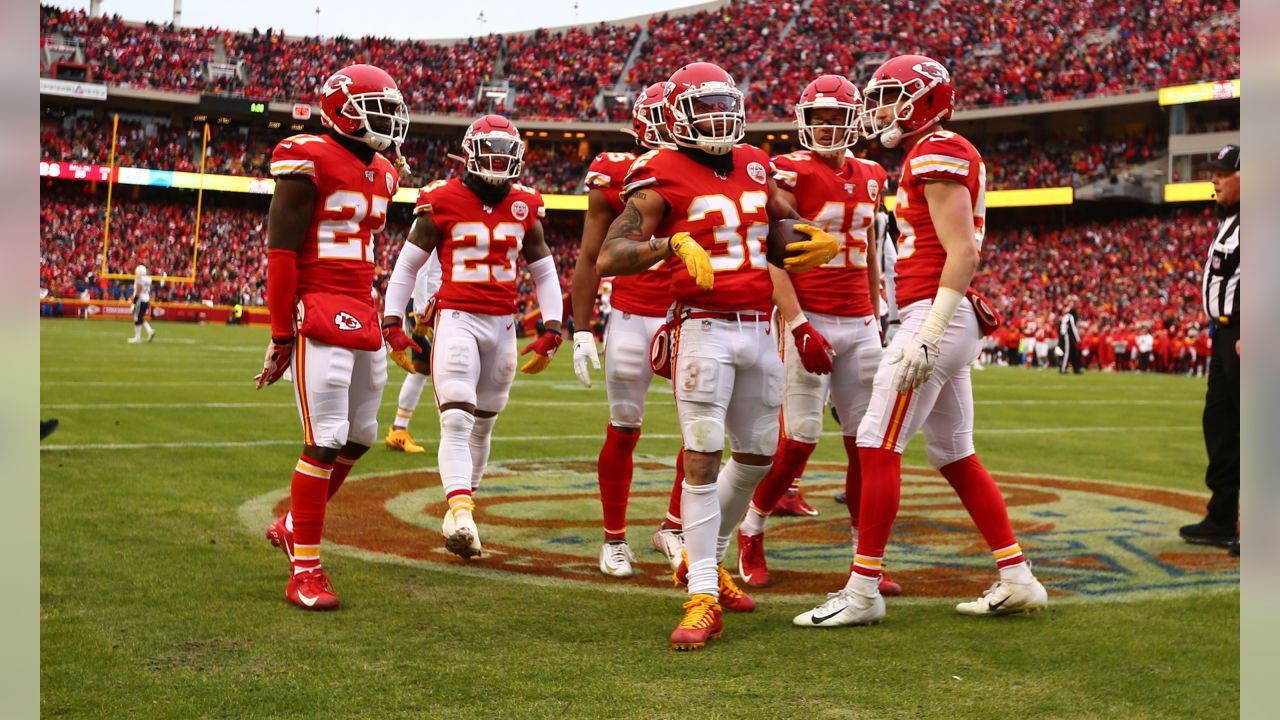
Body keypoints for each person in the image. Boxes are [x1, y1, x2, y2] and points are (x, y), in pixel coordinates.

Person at [793, 55, 1048, 628]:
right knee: (955, 453)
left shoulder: (938, 151)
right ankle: (1017, 576)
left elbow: (964, 252)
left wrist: (928, 332)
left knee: (876, 443)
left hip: (936, 316)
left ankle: (862, 592)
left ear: (927, 100)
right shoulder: (932, 151)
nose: (881, 108)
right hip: (939, 316)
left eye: (892, 96)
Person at [597, 61, 838, 649]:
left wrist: (811, 232)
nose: (718, 118)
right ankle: (702, 591)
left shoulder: (755, 161)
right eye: (704, 107)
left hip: (762, 328)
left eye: (724, 105)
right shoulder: (657, 170)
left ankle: (707, 562)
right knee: (703, 459)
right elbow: (609, 255)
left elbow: (776, 217)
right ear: (679, 112)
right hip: (703, 328)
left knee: (756, 457)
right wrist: (668, 242)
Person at [734, 75, 901, 596]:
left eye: (836, 117)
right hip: (809, 317)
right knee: (800, 439)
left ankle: (864, 559)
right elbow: (774, 255)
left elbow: (874, 250)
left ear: (854, 120)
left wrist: (879, 313)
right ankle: (751, 528)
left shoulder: (874, 173)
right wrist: (799, 323)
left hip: (860, 322)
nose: (828, 127)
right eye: (820, 117)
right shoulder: (790, 171)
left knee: (866, 445)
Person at [255, 63, 409, 611]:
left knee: (362, 433)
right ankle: (306, 569)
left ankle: (295, 524)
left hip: (361, 304)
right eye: (379, 108)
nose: (389, 120)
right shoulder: (307, 156)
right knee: (325, 435)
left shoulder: (385, 170)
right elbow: (281, 251)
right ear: (341, 108)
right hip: (317, 303)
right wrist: (280, 332)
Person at [381, 114, 565, 561]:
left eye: (507, 154)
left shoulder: (525, 203)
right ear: (471, 155)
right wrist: (391, 321)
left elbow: (543, 267)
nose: (500, 163)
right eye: (492, 153)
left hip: (502, 323)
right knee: (458, 420)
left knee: (483, 425)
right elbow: (407, 266)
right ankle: (462, 515)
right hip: (457, 317)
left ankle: (461, 511)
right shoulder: (441, 198)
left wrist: (554, 327)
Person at [570, 83, 686, 577]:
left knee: (701, 430)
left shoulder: (709, 168)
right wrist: (581, 328)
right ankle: (614, 540)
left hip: (692, 314)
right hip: (634, 315)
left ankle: (675, 526)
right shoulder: (616, 173)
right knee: (624, 426)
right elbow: (591, 257)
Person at [1180, 144, 1240, 555]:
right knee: (1219, 427)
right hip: (1223, 337)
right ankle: (1221, 518)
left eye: (1222, 173)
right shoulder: (1230, 220)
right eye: (1212, 172)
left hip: (1243, 334)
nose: (1213, 179)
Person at [384, 251, 442, 454]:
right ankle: (455, 432)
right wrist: (421, 311)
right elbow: (422, 264)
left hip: (429, 301)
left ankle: (399, 429)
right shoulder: (431, 219)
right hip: (426, 304)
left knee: (423, 367)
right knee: (446, 365)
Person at [127, 264, 155, 343]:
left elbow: (138, 291)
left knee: (137, 318)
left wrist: (134, 302)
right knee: (139, 317)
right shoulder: (148, 278)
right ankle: (149, 330)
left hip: (140, 300)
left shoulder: (140, 279)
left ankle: (137, 338)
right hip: (146, 300)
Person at [1058, 295, 1082, 374]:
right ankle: (1063, 368)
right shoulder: (1070, 316)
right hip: (1067, 336)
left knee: (1073, 352)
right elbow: (1073, 328)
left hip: (1066, 336)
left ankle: (1076, 368)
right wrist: (1078, 339)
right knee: (1067, 352)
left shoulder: (1065, 317)